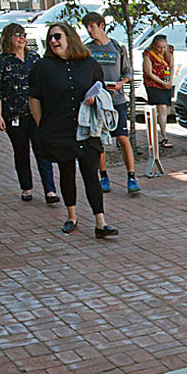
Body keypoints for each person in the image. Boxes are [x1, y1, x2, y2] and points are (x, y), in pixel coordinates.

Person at [28, 21, 119, 239]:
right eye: (50, 37)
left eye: (58, 36)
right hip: (59, 129)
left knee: (91, 174)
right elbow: (34, 98)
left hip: (86, 129)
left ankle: (100, 222)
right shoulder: (42, 67)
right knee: (66, 173)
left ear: (69, 38)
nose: (53, 41)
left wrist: (94, 98)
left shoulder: (88, 63)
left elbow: (102, 90)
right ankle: (71, 216)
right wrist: (43, 125)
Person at [0, 23, 59, 203]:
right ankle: (26, 187)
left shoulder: (34, 58)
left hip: (36, 114)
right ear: (8, 38)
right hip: (13, 114)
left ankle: (50, 190)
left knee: (42, 150)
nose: (21, 38)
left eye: (23, 35)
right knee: (21, 151)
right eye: (17, 35)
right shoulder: (1, 62)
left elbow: (44, 86)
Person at [82, 12, 139, 195]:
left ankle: (131, 176)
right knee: (99, 140)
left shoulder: (117, 47)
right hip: (98, 102)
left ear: (102, 26)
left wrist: (121, 83)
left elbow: (128, 72)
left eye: (93, 26)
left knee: (122, 138)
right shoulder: (87, 50)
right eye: (87, 27)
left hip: (117, 100)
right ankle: (104, 176)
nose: (90, 31)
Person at [142, 34, 174, 149]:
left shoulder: (169, 51)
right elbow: (148, 72)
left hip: (165, 82)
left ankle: (159, 128)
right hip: (154, 83)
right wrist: (162, 83)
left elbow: (171, 66)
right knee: (162, 108)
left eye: (163, 47)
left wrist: (170, 81)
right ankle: (164, 137)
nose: (161, 50)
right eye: (159, 47)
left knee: (167, 110)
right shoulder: (148, 54)